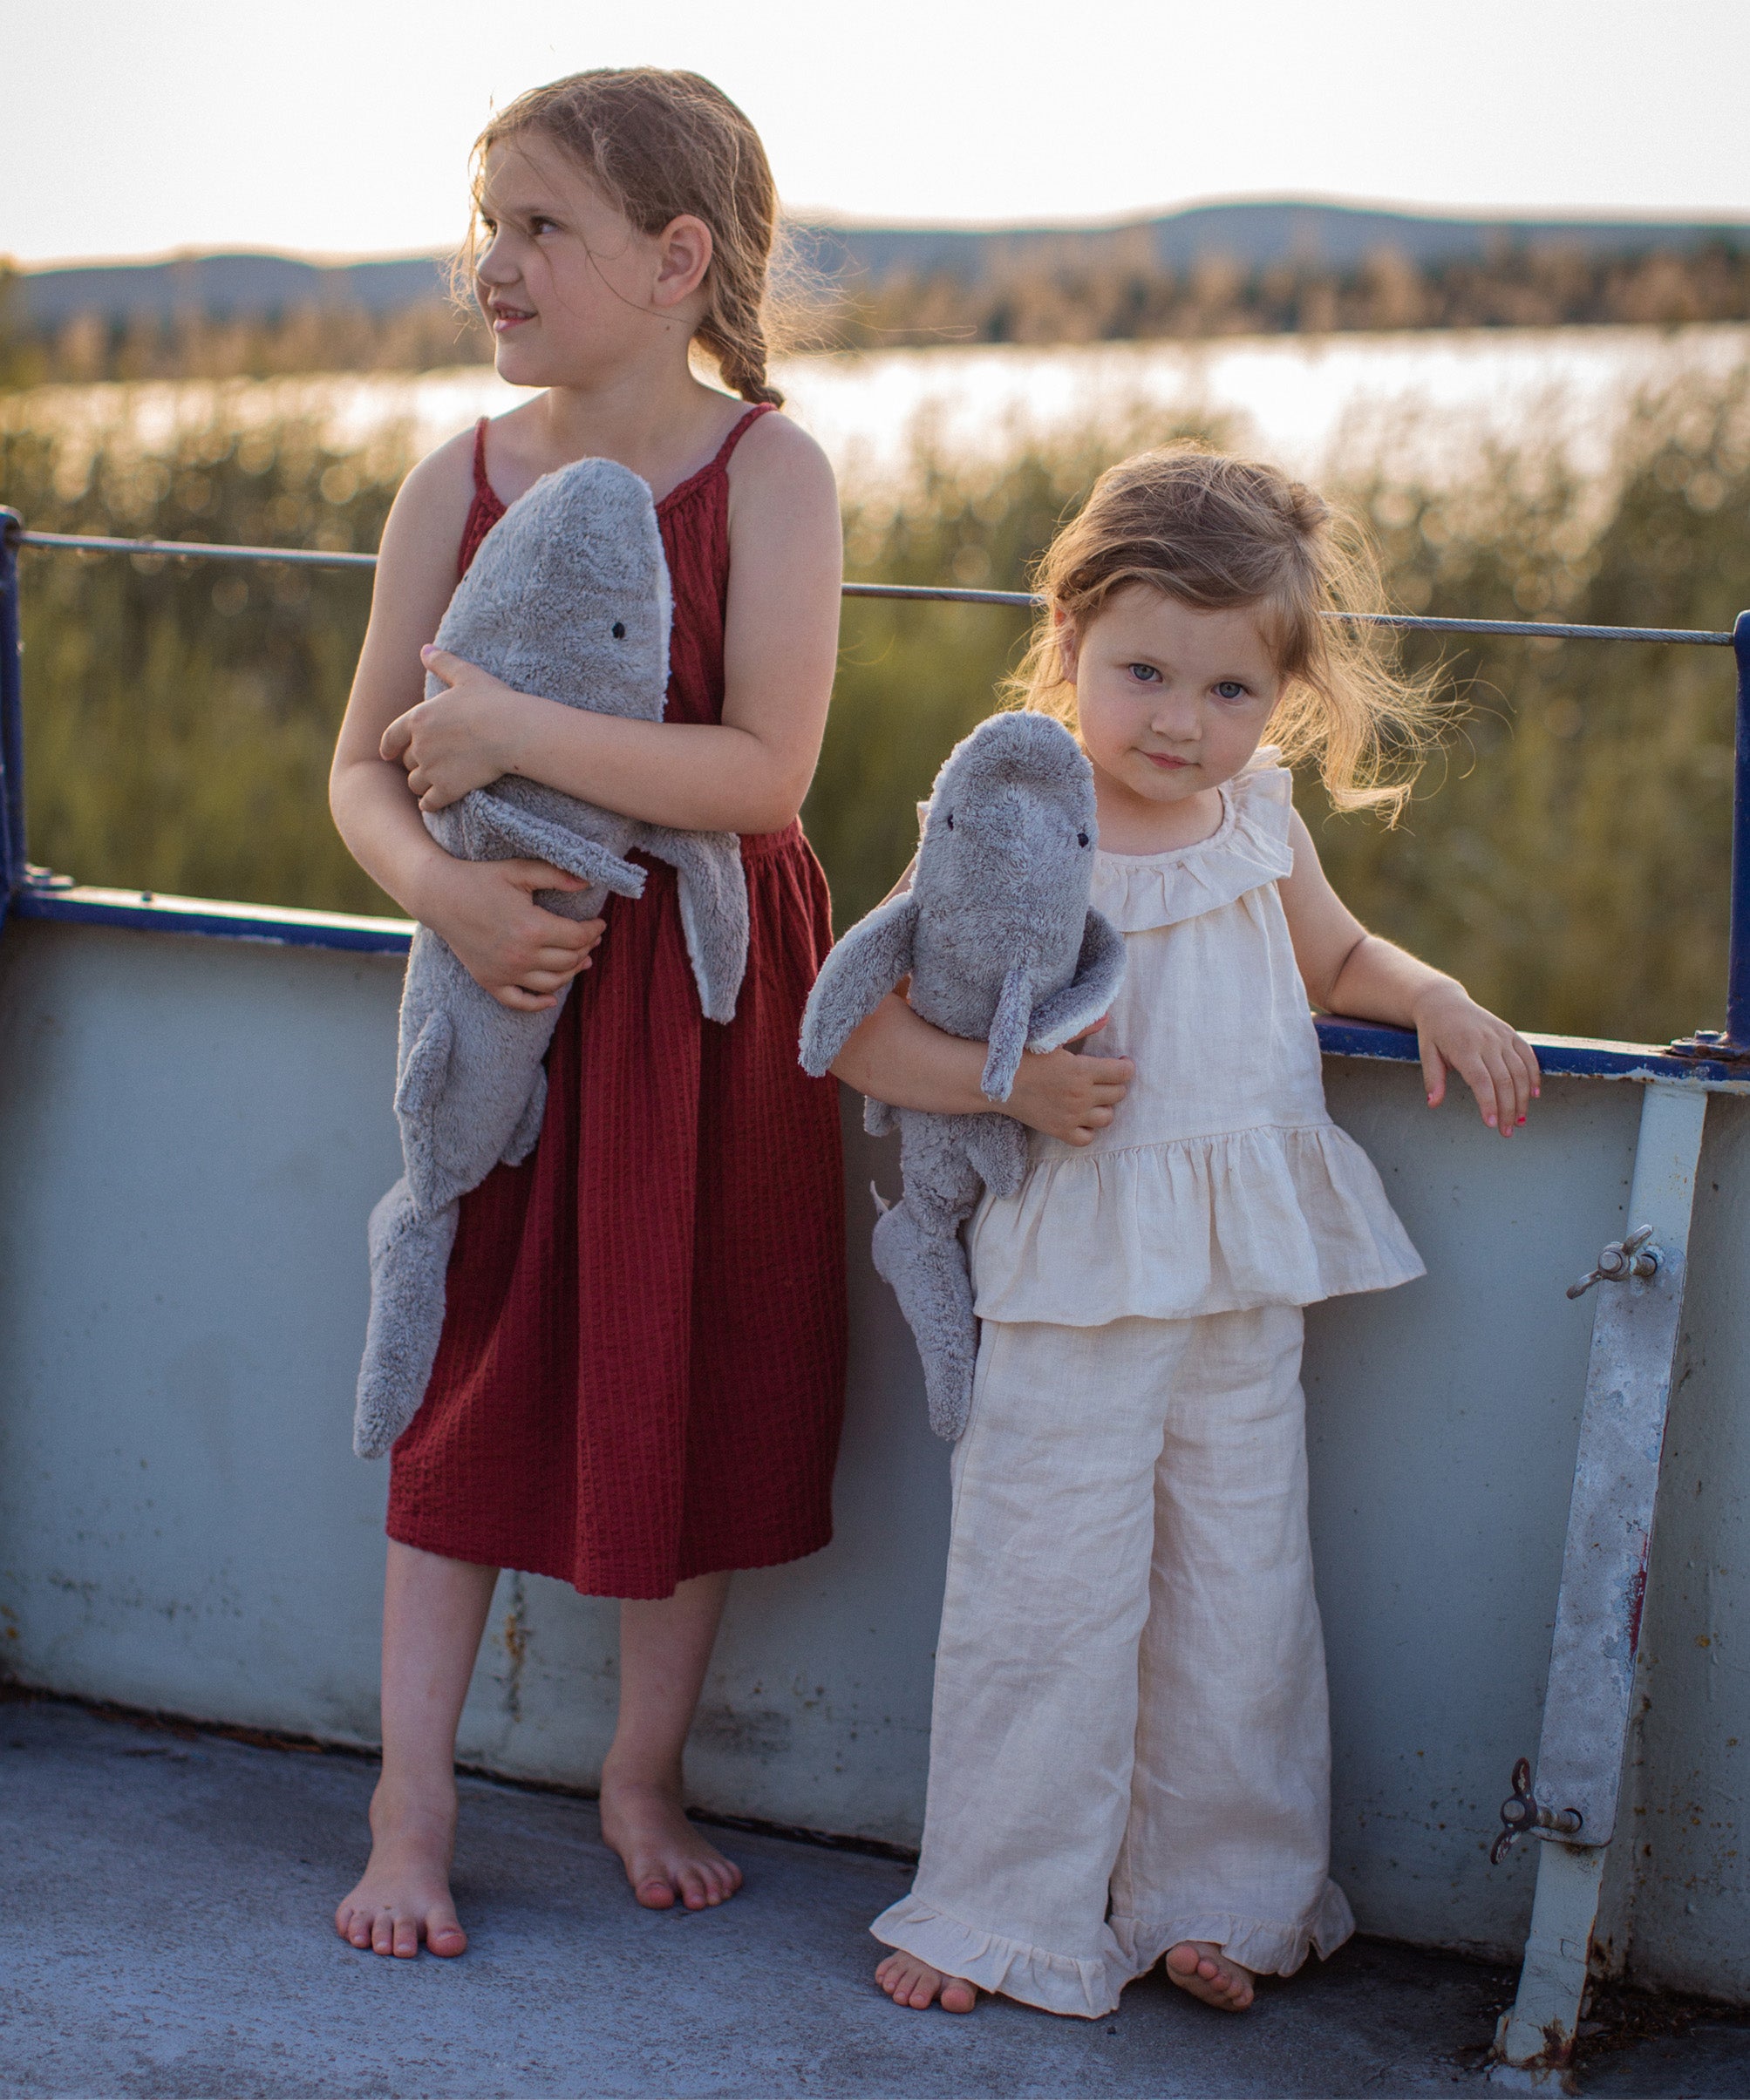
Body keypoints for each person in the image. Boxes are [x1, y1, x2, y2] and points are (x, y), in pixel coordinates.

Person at [831, 445, 1540, 2020]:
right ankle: (1002, 1907)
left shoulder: (1258, 822)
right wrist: (1008, 1086)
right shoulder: (1013, 810)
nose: (1179, 721)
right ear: (1070, 632)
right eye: (1144, 670)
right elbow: (860, 1027)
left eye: (1230, 690)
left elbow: (1340, 958)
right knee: (1045, 1590)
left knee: (1242, 1585)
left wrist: (1434, 994)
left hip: (1236, 1270)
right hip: (1071, 1274)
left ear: (1278, 696)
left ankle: (1227, 1894)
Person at [327, 66, 847, 1958]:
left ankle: (641, 1771)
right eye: (490, 223)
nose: (496, 263)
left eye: (539, 224)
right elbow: (362, 769)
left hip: (705, 1000)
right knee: (462, 1385)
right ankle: (412, 1800)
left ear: (672, 257)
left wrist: (512, 734)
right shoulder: (454, 478)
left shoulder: (767, 473)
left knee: (682, 1372)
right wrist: (451, 891)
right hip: (497, 1000)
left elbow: (765, 772)